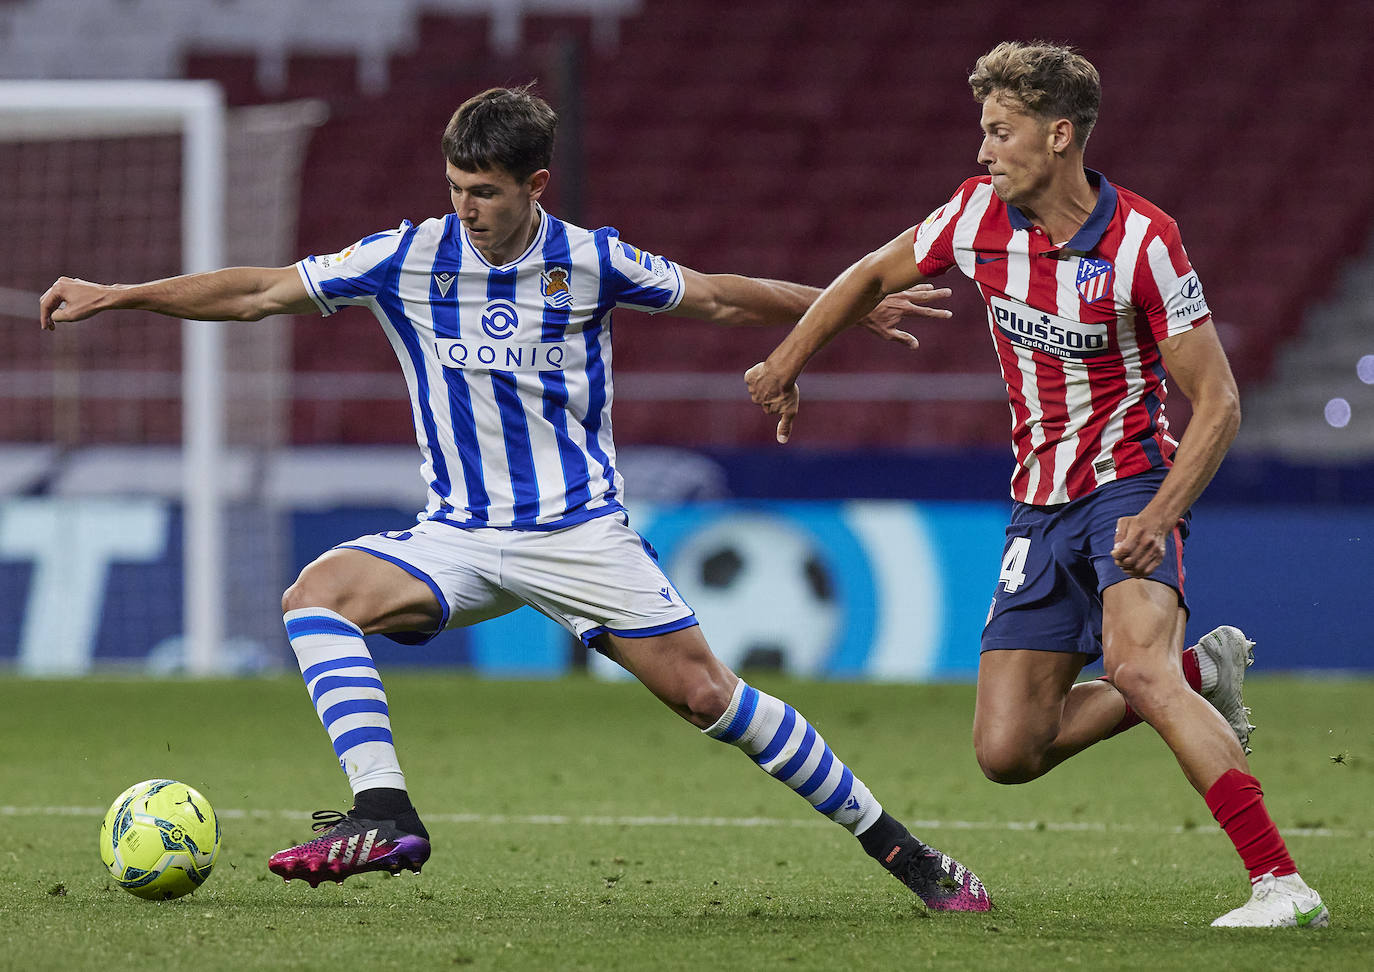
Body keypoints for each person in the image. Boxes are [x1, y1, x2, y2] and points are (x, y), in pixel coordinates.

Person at [39, 85, 990, 912]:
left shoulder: (590, 261)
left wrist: (844, 304)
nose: (466, 210)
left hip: (577, 534)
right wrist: (121, 293)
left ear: (535, 185)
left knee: (710, 697)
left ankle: (907, 854)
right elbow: (256, 292)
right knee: (315, 596)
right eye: (455, 189)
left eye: (485, 193)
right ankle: (383, 813)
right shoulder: (407, 257)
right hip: (454, 534)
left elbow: (715, 296)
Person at [745, 42, 1327, 929]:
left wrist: (1162, 511)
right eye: (983, 131)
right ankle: (1202, 668)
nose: (983, 151)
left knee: (1134, 668)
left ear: (1059, 136)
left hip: (1130, 483)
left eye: (1000, 132)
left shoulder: (1144, 242)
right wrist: (786, 363)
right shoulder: (974, 216)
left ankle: (1280, 883)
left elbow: (1219, 402)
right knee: (1009, 751)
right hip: (1036, 502)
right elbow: (868, 273)